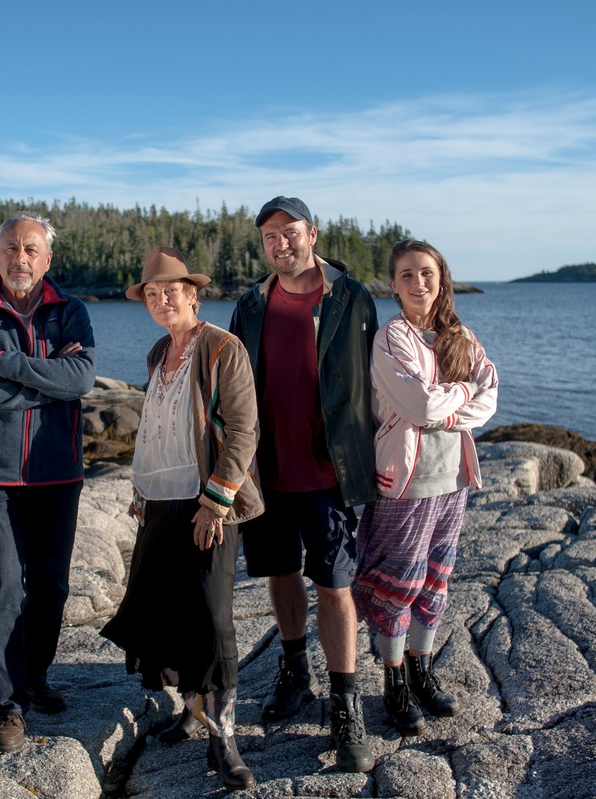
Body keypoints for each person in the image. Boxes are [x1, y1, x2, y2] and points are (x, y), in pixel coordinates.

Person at [102, 247, 263, 791]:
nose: (162, 299)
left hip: (208, 501)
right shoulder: (156, 353)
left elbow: (243, 432)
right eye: (152, 293)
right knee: (163, 612)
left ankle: (226, 738)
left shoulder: (223, 348)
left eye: (172, 290)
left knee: (212, 619)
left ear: (193, 295)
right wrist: (142, 490)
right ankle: (192, 712)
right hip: (160, 501)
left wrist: (215, 502)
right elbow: (158, 428)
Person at [229, 196, 379, 773]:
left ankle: (346, 704)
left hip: (329, 471)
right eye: (269, 236)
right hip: (265, 470)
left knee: (335, 585)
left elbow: (379, 376)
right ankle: (296, 671)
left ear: (312, 234)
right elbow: (236, 385)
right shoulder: (250, 303)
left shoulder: (350, 297)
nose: (280, 244)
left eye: (289, 233)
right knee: (281, 574)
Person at [0, 210, 97, 754]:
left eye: (31, 249)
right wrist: (46, 380)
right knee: (4, 586)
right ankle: (8, 707)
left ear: (47, 259)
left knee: (52, 586)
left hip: (58, 471)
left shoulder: (71, 311)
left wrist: (7, 364)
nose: (20, 258)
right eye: (10, 248)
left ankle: (33, 676)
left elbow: (81, 378)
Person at [352, 239, 498, 737]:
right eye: (408, 275)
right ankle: (393, 681)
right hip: (407, 482)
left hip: (454, 478)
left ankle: (421, 669)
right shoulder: (391, 338)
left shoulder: (459, 336)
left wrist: (447, 405)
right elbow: (417, 407)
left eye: (427, 273)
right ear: (393, 284)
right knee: (400, 583)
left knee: (436, 580)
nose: (419, 283)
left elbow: (492, 394)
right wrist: (459, 394)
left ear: (442, 279)